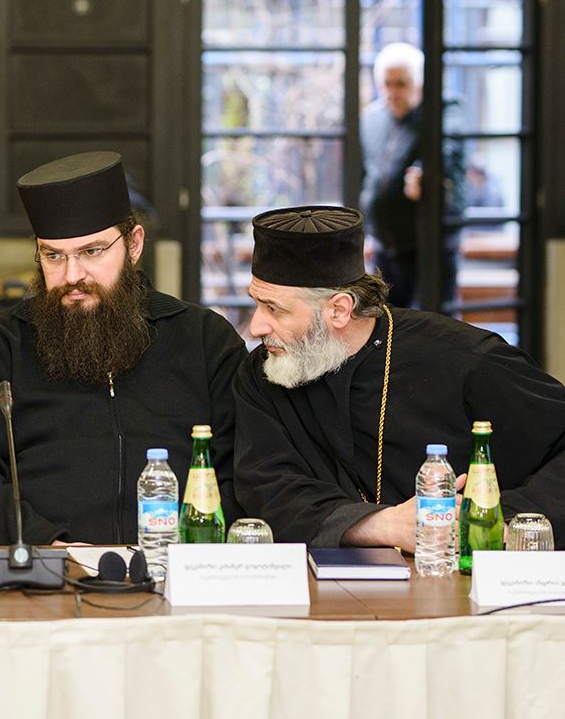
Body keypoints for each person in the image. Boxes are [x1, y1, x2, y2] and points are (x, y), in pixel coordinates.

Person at [0, 152, 247, 545]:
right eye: (54, 256)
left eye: (92, 251)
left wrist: (197, 547)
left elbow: (244, 470)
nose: (72, 276)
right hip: (46, 567)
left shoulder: (205, 341)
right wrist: (48, 546)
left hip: (178, 565)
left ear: (133, 245)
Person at [233, 205, 565, 549]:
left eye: (273, 309)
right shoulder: (263, 373)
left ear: (339, 310)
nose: (255, 326)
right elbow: (266, 488)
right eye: (256, 303)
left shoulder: (464, 358)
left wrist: (505, 522)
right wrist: (383, 525)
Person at [359, 42, 465, 308]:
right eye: (386, 84)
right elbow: (366, 175)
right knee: (387, 322)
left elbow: (447, 150)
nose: (392, 93)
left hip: (431, 245)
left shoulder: (444, 110)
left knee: (435, 321)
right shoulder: (372, 118)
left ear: (419, 84)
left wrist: (423, 174)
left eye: (401, 84)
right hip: (385, 247)